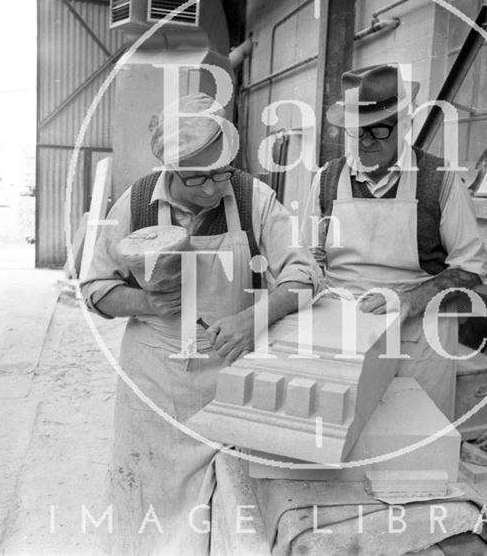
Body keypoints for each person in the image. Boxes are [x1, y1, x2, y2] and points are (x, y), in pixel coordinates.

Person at [81, 93, 318, 554]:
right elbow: (95, 290)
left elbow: (303, 275)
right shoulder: (138, 206)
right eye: (196, 178)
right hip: (157, 384)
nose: (212, 189)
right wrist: (148, 302)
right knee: (153, 508)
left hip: (235, 376)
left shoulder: (253, 197)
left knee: (237, 516)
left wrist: (255, 318)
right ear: (170, 170)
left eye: (220, 173)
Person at [303, 63, 487, 418]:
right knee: (343, 436)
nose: (367, 142)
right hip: (343, 332)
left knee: (411, 442)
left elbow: (471, 270)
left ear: (405, 124)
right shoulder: (327, 179)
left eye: (379, 130)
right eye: (358, 132)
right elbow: (310, 258)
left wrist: (409, 300)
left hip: (417, 337)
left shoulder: (441, 180)